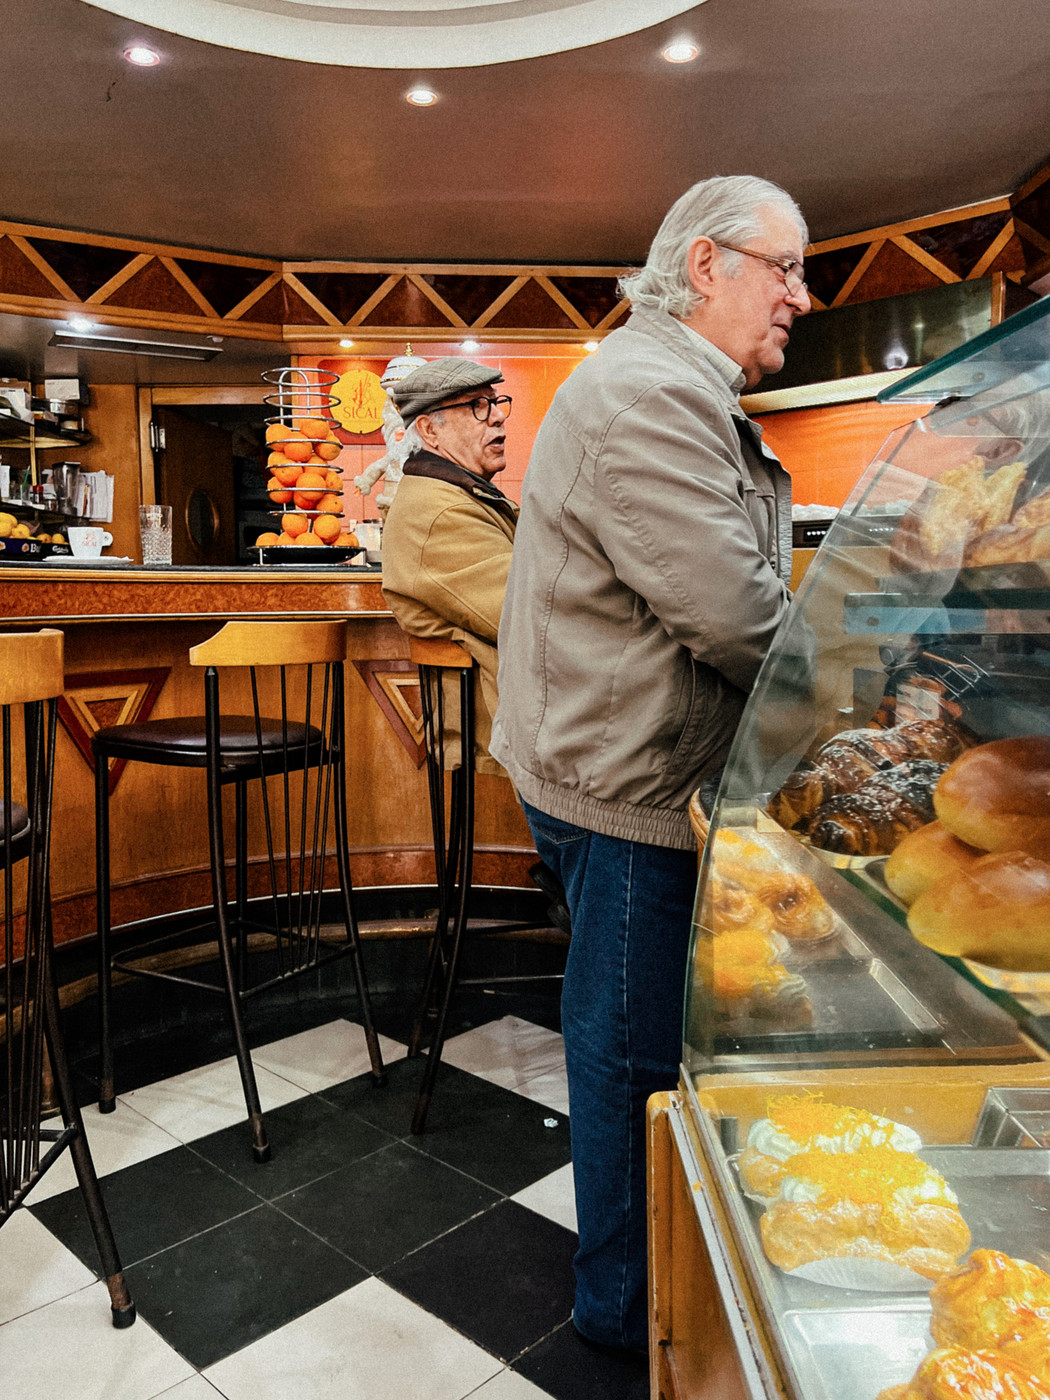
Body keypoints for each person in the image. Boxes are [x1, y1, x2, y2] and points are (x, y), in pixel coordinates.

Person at [490, 174, 811, 1353]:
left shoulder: (669, 384)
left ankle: (639, 1291)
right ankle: (624, 1315)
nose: (801, 294)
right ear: (709, 265)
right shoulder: (649, 394)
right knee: (627, 1056)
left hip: (613, 759)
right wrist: (854, 691)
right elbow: (738, 617)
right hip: (622, 786)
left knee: (627, 1040)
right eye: (784, 267)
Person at [381, 357, 516, 775]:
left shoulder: (462, 493)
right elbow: (529, 614)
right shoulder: (438, 512)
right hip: (497, 728)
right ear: (429, 430)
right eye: (477, 406)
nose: (497, 419)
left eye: (497, 404)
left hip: (523, 714)